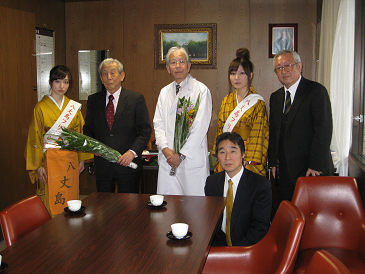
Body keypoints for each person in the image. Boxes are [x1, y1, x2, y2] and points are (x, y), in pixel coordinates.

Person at [269, 50, 334, 202]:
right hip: (284, 171)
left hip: (311, 169)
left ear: (300, 67)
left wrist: (316, 165)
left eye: (288, 66)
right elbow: (274, 132)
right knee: (290, 215)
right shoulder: (276, 97)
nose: (283, 71)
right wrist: (272, 163)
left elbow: (323, 130)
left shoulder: (316, 91)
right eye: (279, 68)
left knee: (312, 217)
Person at [25, 65, 90, 216]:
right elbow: (34, 137)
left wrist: (81, 159)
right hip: (49, 159)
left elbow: (79, 134)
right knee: (52, 196)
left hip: (70, 159)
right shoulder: (40, 108)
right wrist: (38, 165)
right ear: (50, 82)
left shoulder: (72, 107)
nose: (62, 86)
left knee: (71, 194)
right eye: (58, 81)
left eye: (66, 82)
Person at [83, 58, 151, 193]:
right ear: (101, 78)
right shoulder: (93, 100)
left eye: (113, 73)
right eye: (104, 73)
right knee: (103, 207)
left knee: (129, 208)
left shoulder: (135, 99)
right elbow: (88, 129)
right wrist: (93, 147)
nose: (109, 77)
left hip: (127, 163)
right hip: (102, 164)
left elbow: (145, 131)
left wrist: (132, 153)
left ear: (122, 75)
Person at [153, 46, 212, 196]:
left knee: (194, 210)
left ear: (189, 65)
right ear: (167, 68)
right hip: (168, 159)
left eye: (181, 62)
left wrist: (181, 155)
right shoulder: (164, 92)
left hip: (190, 161)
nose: (178, 66)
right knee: (169, 208)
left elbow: (200, 127)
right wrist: (166, 150)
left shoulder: (201, 90)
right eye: (173, 62)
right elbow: (158, 124)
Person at [205, 132, 272, 246]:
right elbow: (211, 220)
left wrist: (236, 252)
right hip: (219, 243)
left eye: (233, 151)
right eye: (222, 152)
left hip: (248, 246)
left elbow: (260, 226)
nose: (227, 157)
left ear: (243, 154)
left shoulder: (260, 185)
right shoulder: (212, 182)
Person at [213, 48, 269, 177]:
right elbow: (220, 130)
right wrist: (222, 153)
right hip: (227, 156)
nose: (236, 78)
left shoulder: (257, 102)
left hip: (246, 157)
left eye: (241, 73)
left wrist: (246, 159)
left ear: (250, 75)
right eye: (233, 73)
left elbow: (258, 134)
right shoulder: (226, 100)